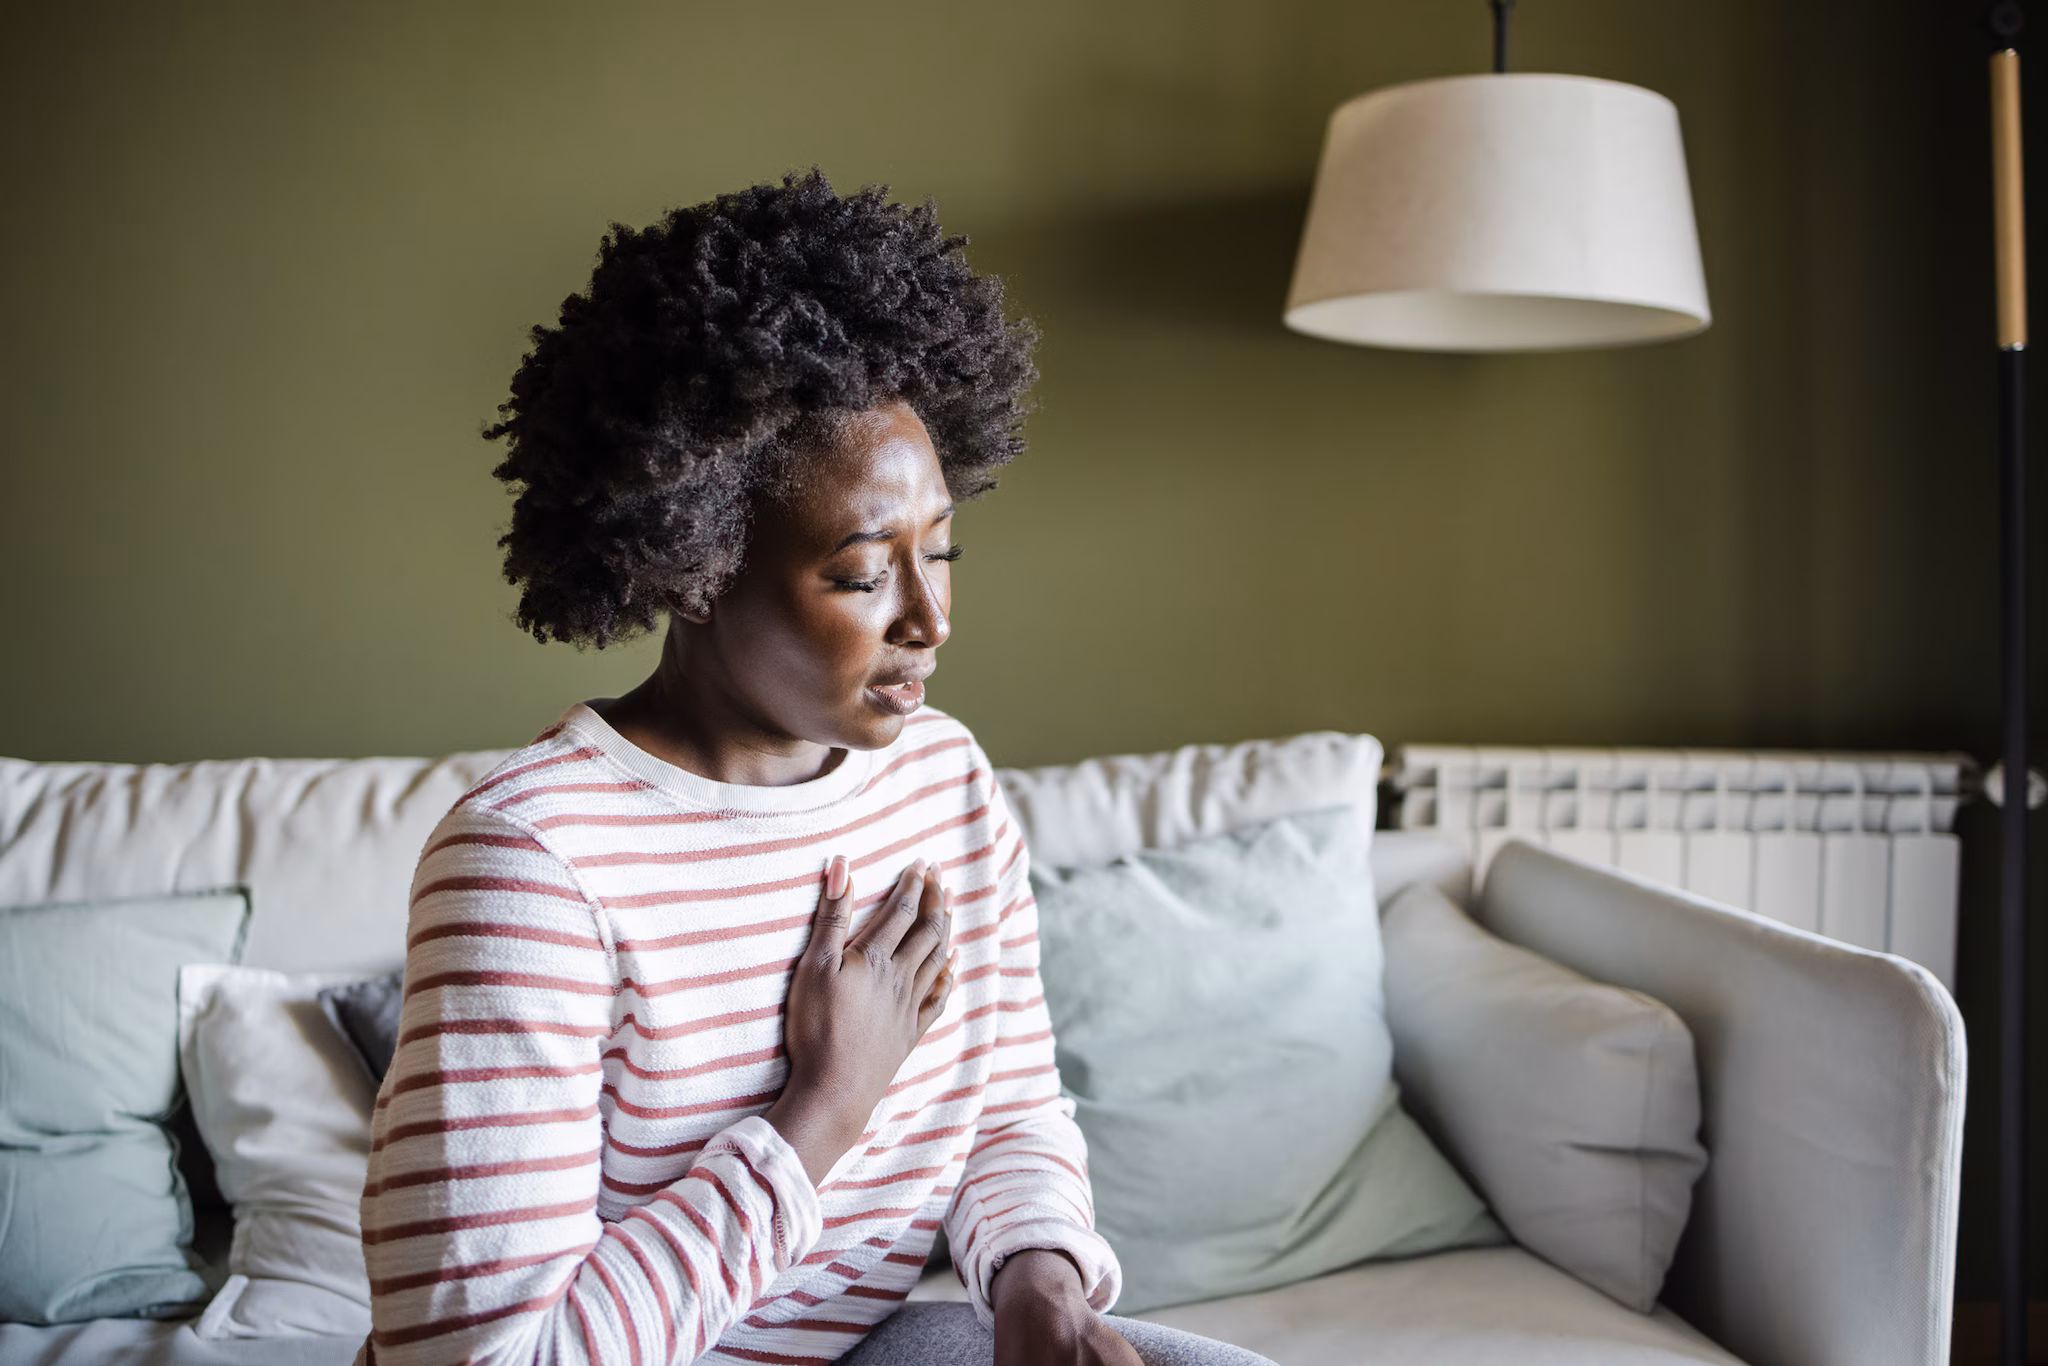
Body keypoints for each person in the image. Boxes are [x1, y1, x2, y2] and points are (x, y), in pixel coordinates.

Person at [356, 171, 1273, 1366]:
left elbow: (1004, 1107)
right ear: (690, 565)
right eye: (859, 573)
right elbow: (483, 1359)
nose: (929, 618)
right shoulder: (532, 861)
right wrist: (825, 1104)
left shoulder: (941, 781)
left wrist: (1035, 1292)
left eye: (939, 548)